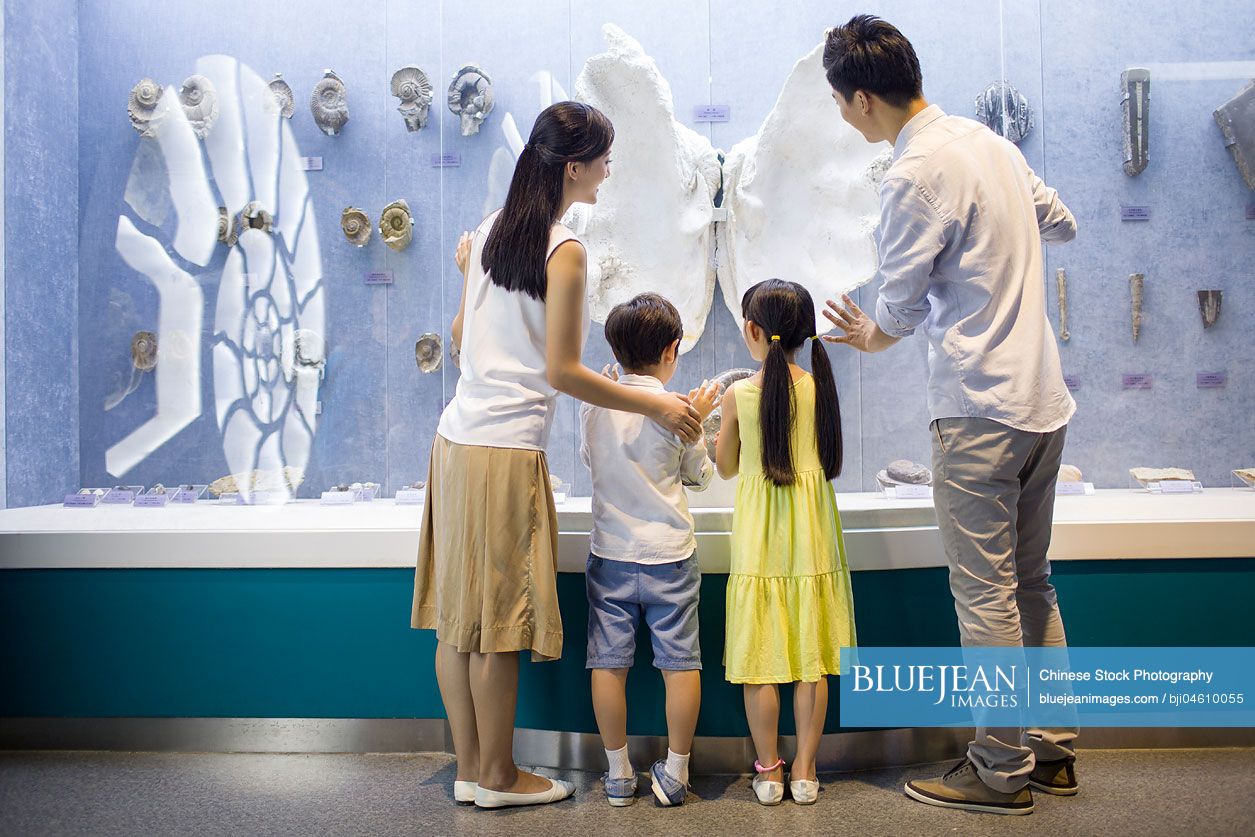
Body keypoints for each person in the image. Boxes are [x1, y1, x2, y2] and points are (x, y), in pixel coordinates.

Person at [821, 15, 1080, 816]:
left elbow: (896, 304)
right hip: (1043, 403)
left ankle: (997, 769)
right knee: (1031, 583)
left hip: (977, 410)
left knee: (987, 597)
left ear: (862, 99)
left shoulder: (912, 174)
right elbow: (1060, 218)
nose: (840, 113)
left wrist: (868, 335)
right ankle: (1052, 751)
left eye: (838, 100)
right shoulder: (987, 143)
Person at [411, 101, 703, 810]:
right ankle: (500, 775)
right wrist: (658, 403)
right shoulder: (562, 247)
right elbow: (565, 372)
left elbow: (459, 338)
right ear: (572, 167)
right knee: (496, 626)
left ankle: (471, 769)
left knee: (460, 619)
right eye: (602, 157)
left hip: (455, 443)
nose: (608, 169)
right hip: (504, 451)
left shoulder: (486, 233)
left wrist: (463, 274)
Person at [715, 279, 857, 807]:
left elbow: (725, 467)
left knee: (761, 657)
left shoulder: (738, 395)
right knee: (811, 657)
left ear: (753, 330)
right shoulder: (821, 385)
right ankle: (805, 770)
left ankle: (769, 772)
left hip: (760, 538)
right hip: (813, 533)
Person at [579, 293, 721, 807]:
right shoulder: (679, 411)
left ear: (614, 351)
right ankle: (677, 773)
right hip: (670, 556)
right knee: (680, 664)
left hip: (612, 553)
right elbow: (699, 477)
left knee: (608, 664)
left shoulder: (595, 402)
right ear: (671, 349)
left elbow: (591, 457)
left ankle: (618, 775)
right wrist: (699, 424)